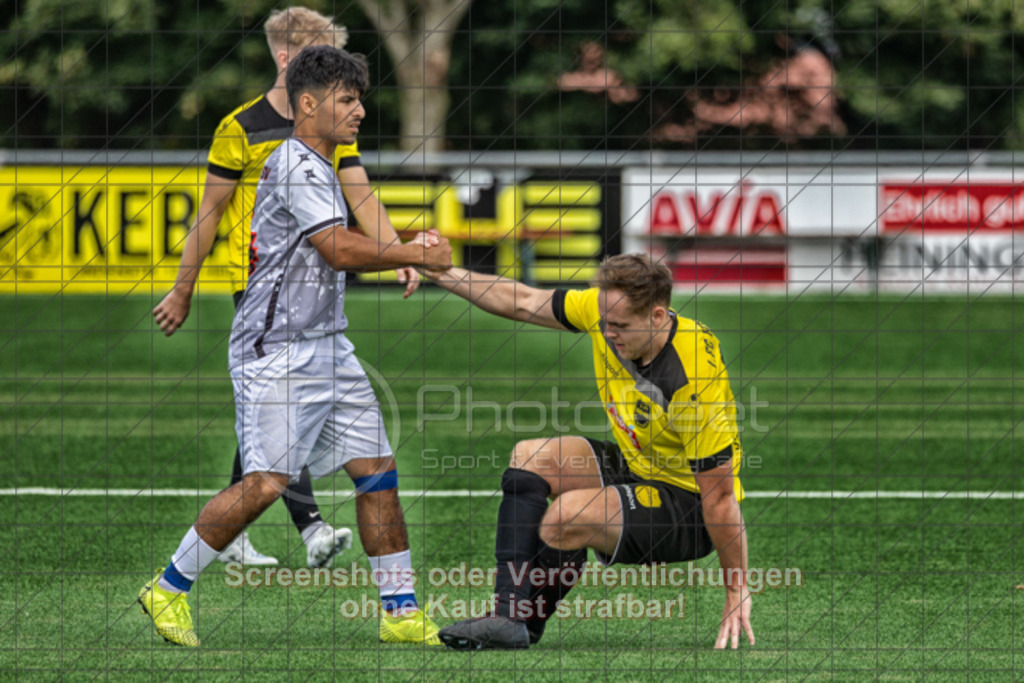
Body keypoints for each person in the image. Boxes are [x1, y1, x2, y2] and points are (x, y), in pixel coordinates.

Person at [138, 45, 453, 648]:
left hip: (330, 347)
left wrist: (403, 247)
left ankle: (401, 612)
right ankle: (168, 588)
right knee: (264, 486)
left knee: (377, 474)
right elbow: (338, 249)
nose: (359, 110)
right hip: (277, 353)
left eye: (360, 98)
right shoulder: (295, 165)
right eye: (346, 99)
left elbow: (350, 236)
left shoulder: (323, 162)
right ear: (307, 104)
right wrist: (414, 252)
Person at [152, 7, 417, 568]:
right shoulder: (241, 128)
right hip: (262, 294)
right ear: (285, 58)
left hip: (319, 302)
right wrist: (183, 288)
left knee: (287, 428)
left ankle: (385, 595)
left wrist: (395, 253)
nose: (340, 83)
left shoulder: (333, 127)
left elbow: (361, 194)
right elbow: (210, 213)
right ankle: (299, 530)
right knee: (282, 427)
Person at [424, 254, 755, 650]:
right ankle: (507, 616)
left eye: (619, 327)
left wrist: (737, 589)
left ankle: (525, 624)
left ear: (657, 315)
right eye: (603, 323)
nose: (607, 333)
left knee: (566, 516)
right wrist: (442, 272)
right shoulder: (606, 310)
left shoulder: (690, 381)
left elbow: (719, 497)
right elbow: (524, 301)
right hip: (641, 464)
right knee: (530, 457)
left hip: (688, 507)